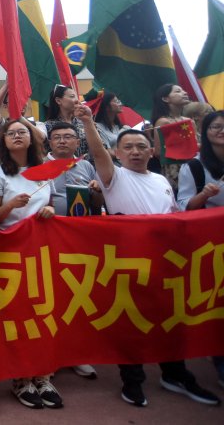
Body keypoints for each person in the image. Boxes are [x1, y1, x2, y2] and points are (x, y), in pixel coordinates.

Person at [78, 102, 221, 408]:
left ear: (151, 151)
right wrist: (89, 122)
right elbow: (98, 152)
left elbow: (175, 219)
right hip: (128, 264)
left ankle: (175, 373)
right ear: (118, 154)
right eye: (127, 147)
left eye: (141, 146)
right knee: (131, 325)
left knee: (171, 321)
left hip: (166, 264)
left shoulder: (160, 182)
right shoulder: (113, 176)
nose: (135, 152)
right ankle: (132, 382)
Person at [0, 119, 61, 409]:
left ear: (33, 139)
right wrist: (11, 206)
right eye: (10, 133)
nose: (17, 136)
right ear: (3, 141)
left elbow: (49, 203)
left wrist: (50, 210)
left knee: (44, 312)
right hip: (10, 252)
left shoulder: (45, 172)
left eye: (22, 132)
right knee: (18, 315)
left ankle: (43, 376)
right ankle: (21, 378)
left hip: (42, 251)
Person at [176, 110, 224, 390]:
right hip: (210, 247)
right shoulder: (193, 168)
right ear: (205, 132)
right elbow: (185, 207)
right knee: (215, 305)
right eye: (216, 126)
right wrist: (204, 195)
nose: (221, 131)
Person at [46, 122, 102, 217]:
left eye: (67, 137)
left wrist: (98, 191)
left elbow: (97, 204)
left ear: (78, 143)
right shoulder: (39, 165)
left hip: (82, 225)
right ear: (50, 143)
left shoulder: (86, 165)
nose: (62, 141)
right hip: (52, 225)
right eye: (56, 137)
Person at [151, 83, 193, 193]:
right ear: (165, 99)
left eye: (183, 90)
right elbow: (159, 151)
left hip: (193, 165)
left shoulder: (189, 121)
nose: (185, 93)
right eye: (178, 91)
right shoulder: (163, 122)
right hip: (174, 171)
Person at [44, 84, 88, 157]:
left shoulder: (83, 122)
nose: (77, 100)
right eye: (72, 96)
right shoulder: (48, 126)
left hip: (84, 166)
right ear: (58, 101)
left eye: (76, 97)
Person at [94, 91, 130, 162]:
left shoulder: (118, 126)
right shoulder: (97, 127)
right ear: (106, 106)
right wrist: (127, 154)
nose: (120, 104)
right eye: (116, 101)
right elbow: (108, 153)